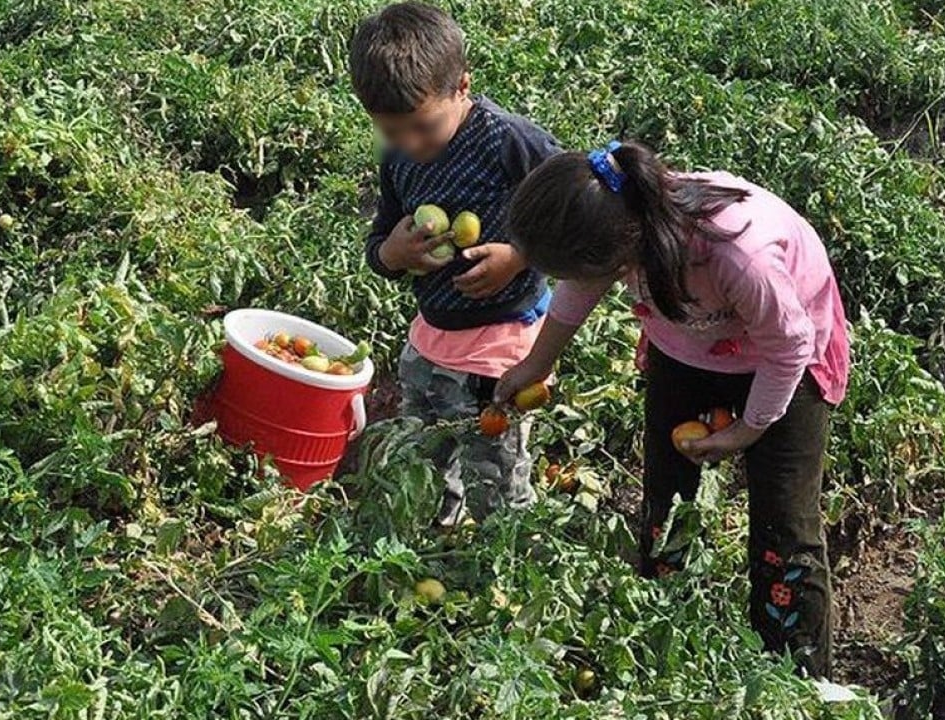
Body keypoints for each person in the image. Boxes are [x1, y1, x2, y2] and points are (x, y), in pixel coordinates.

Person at [492, 140, 851, 679]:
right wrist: (536, 365)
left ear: (623, 252)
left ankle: (797, 679)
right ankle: (663, 628)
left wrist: (748, 430)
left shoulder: (735, 253)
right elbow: (578, 288)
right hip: (685, 348)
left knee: (784, 531)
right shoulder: (619, 223)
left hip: (782, 364)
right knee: (666, 498)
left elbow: (789, 346)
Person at [349, 2, 561, 526]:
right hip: (432, 336)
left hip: (502, 344)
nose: (410, 144)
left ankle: (500, 563)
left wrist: (520, 256)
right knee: (425, 454)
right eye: (392, 131)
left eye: (423, 127)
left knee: (495, 468)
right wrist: (392, 254)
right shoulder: (398, 158)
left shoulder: (507, 141)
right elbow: (380, 243)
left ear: (462, 86)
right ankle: (440, 536)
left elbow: (576, 209)